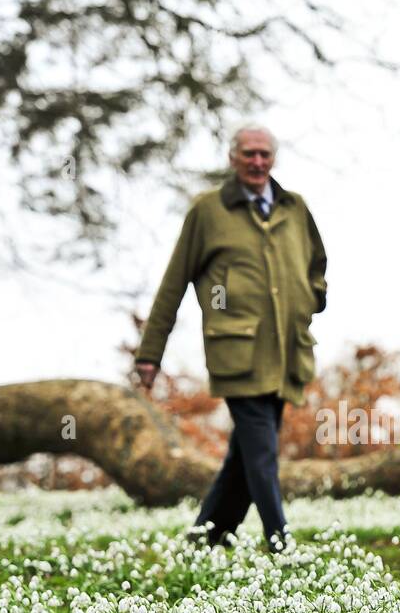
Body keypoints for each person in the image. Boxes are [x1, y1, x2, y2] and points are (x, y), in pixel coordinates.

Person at [134, 125, 327, 553]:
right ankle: (281, 543)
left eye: (264, 154)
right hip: (236, 354)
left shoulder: (295, 208)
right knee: (261, 453)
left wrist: (312, 297)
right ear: (232, 158)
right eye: (248, 154)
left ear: (273, 158)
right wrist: (150, 354)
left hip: (286, 352)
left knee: (244, 457)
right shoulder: (208, 211)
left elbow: (317, 263)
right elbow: (173, 284)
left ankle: (207, 539)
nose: (257, 162)